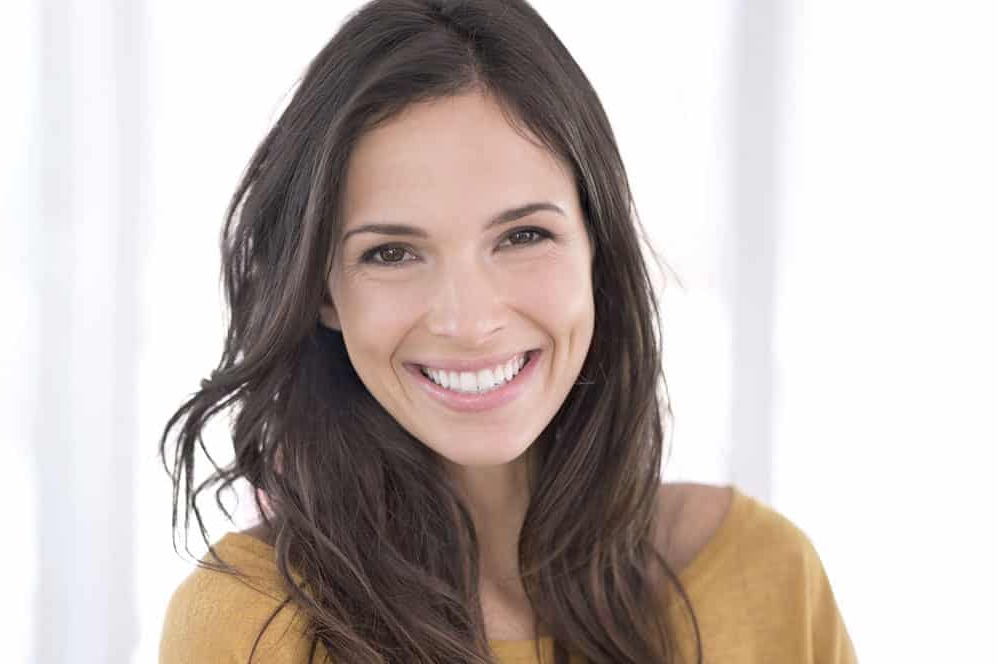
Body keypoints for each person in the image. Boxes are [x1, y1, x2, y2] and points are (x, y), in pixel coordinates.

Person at [158, 1, 856, 662]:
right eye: (391, 253)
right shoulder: (249, 626)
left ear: (596, 248)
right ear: (321, 292)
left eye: (523, 235)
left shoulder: (767, 578)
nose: (469, 321)